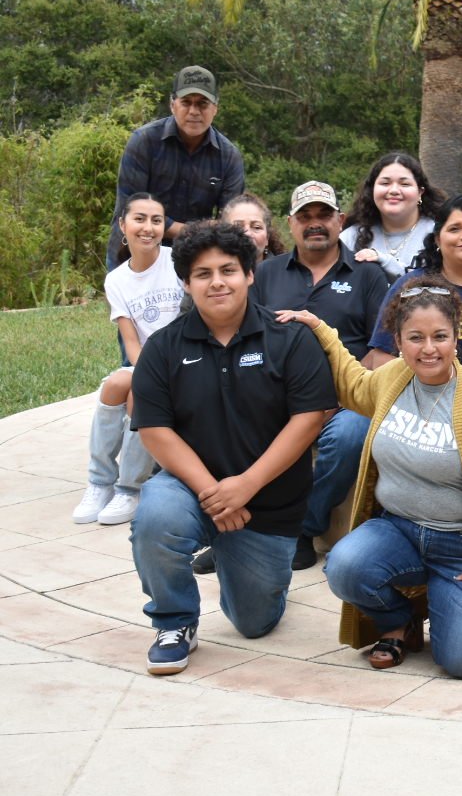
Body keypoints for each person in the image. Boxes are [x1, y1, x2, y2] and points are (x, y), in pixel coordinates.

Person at [279, 278, 462, 676]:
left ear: (455, 337)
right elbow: (353, 385)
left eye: (439, 336)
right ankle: (399, 621)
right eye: (416, 337)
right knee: (345, 565)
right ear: (398, 340)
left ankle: (448, 600)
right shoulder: (394, 378)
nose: (429, 349)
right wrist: (320, 330)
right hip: (397, 530)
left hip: (460, 548)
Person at [129, 222, 335, 675]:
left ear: (250, 275)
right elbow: (155, 431)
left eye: (228, 270)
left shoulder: (290, 339)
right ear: (186, 282)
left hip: (267, 504)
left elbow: (308, 420)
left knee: (254, 623)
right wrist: (214, 494)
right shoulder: (163, 348)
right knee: (155, 517)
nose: (217, 281)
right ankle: (175, 621)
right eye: (203, 274)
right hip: (193, 490)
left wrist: (246, 486)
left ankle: (248, 569)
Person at [226, 180, 390, 574]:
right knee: (231, 417)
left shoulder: (368, 276)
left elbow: (380, 350)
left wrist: (340, 396)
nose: (315, 224)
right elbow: (246, 335)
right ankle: (233, 530)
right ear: (290, 224)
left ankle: (300, 530)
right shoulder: (264, 274)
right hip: (275, 394)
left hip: (345, 399)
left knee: (350, 436)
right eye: (305, 217)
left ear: (340, 220)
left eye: (323, 215)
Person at [75, 194, 184, 526]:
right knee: (114, 385)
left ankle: (130, 488)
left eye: (156, 220)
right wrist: (146, 370)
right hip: (148, 362)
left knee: (138, 392)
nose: (148, 228)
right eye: (139, 219)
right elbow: (131, 339)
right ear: (123, 225)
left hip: (184, 360)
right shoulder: (116, 279)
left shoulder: (177, 260)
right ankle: (100, 482)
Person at [368, 194, 462, 415]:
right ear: (438, 240)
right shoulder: (411, 287)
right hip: (425, 412)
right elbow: (382, 357)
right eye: (455, 229)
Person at [106, 66, 244, 271]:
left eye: (203, 103)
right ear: (172, 104)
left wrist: (195, 233)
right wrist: (193, 229)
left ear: (216, 108)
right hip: (134, 254)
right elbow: (131, 209)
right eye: (186, 102)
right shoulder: (144, 141)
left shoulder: (229, 157)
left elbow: (229, 224)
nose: (194, 111)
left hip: (193, 259)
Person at [340, 152, 448, 281]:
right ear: (372, 190)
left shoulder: (440, 234)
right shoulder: (350, 237)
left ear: (420, 192)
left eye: (404, 184)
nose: (394, 190)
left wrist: (385, 261)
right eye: (385, 183)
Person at [222, 193, 286, 261]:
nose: (247, 234)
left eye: (256, 227)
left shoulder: (284, 270)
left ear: (267, 237)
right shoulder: (211, 269)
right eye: (238, 227)